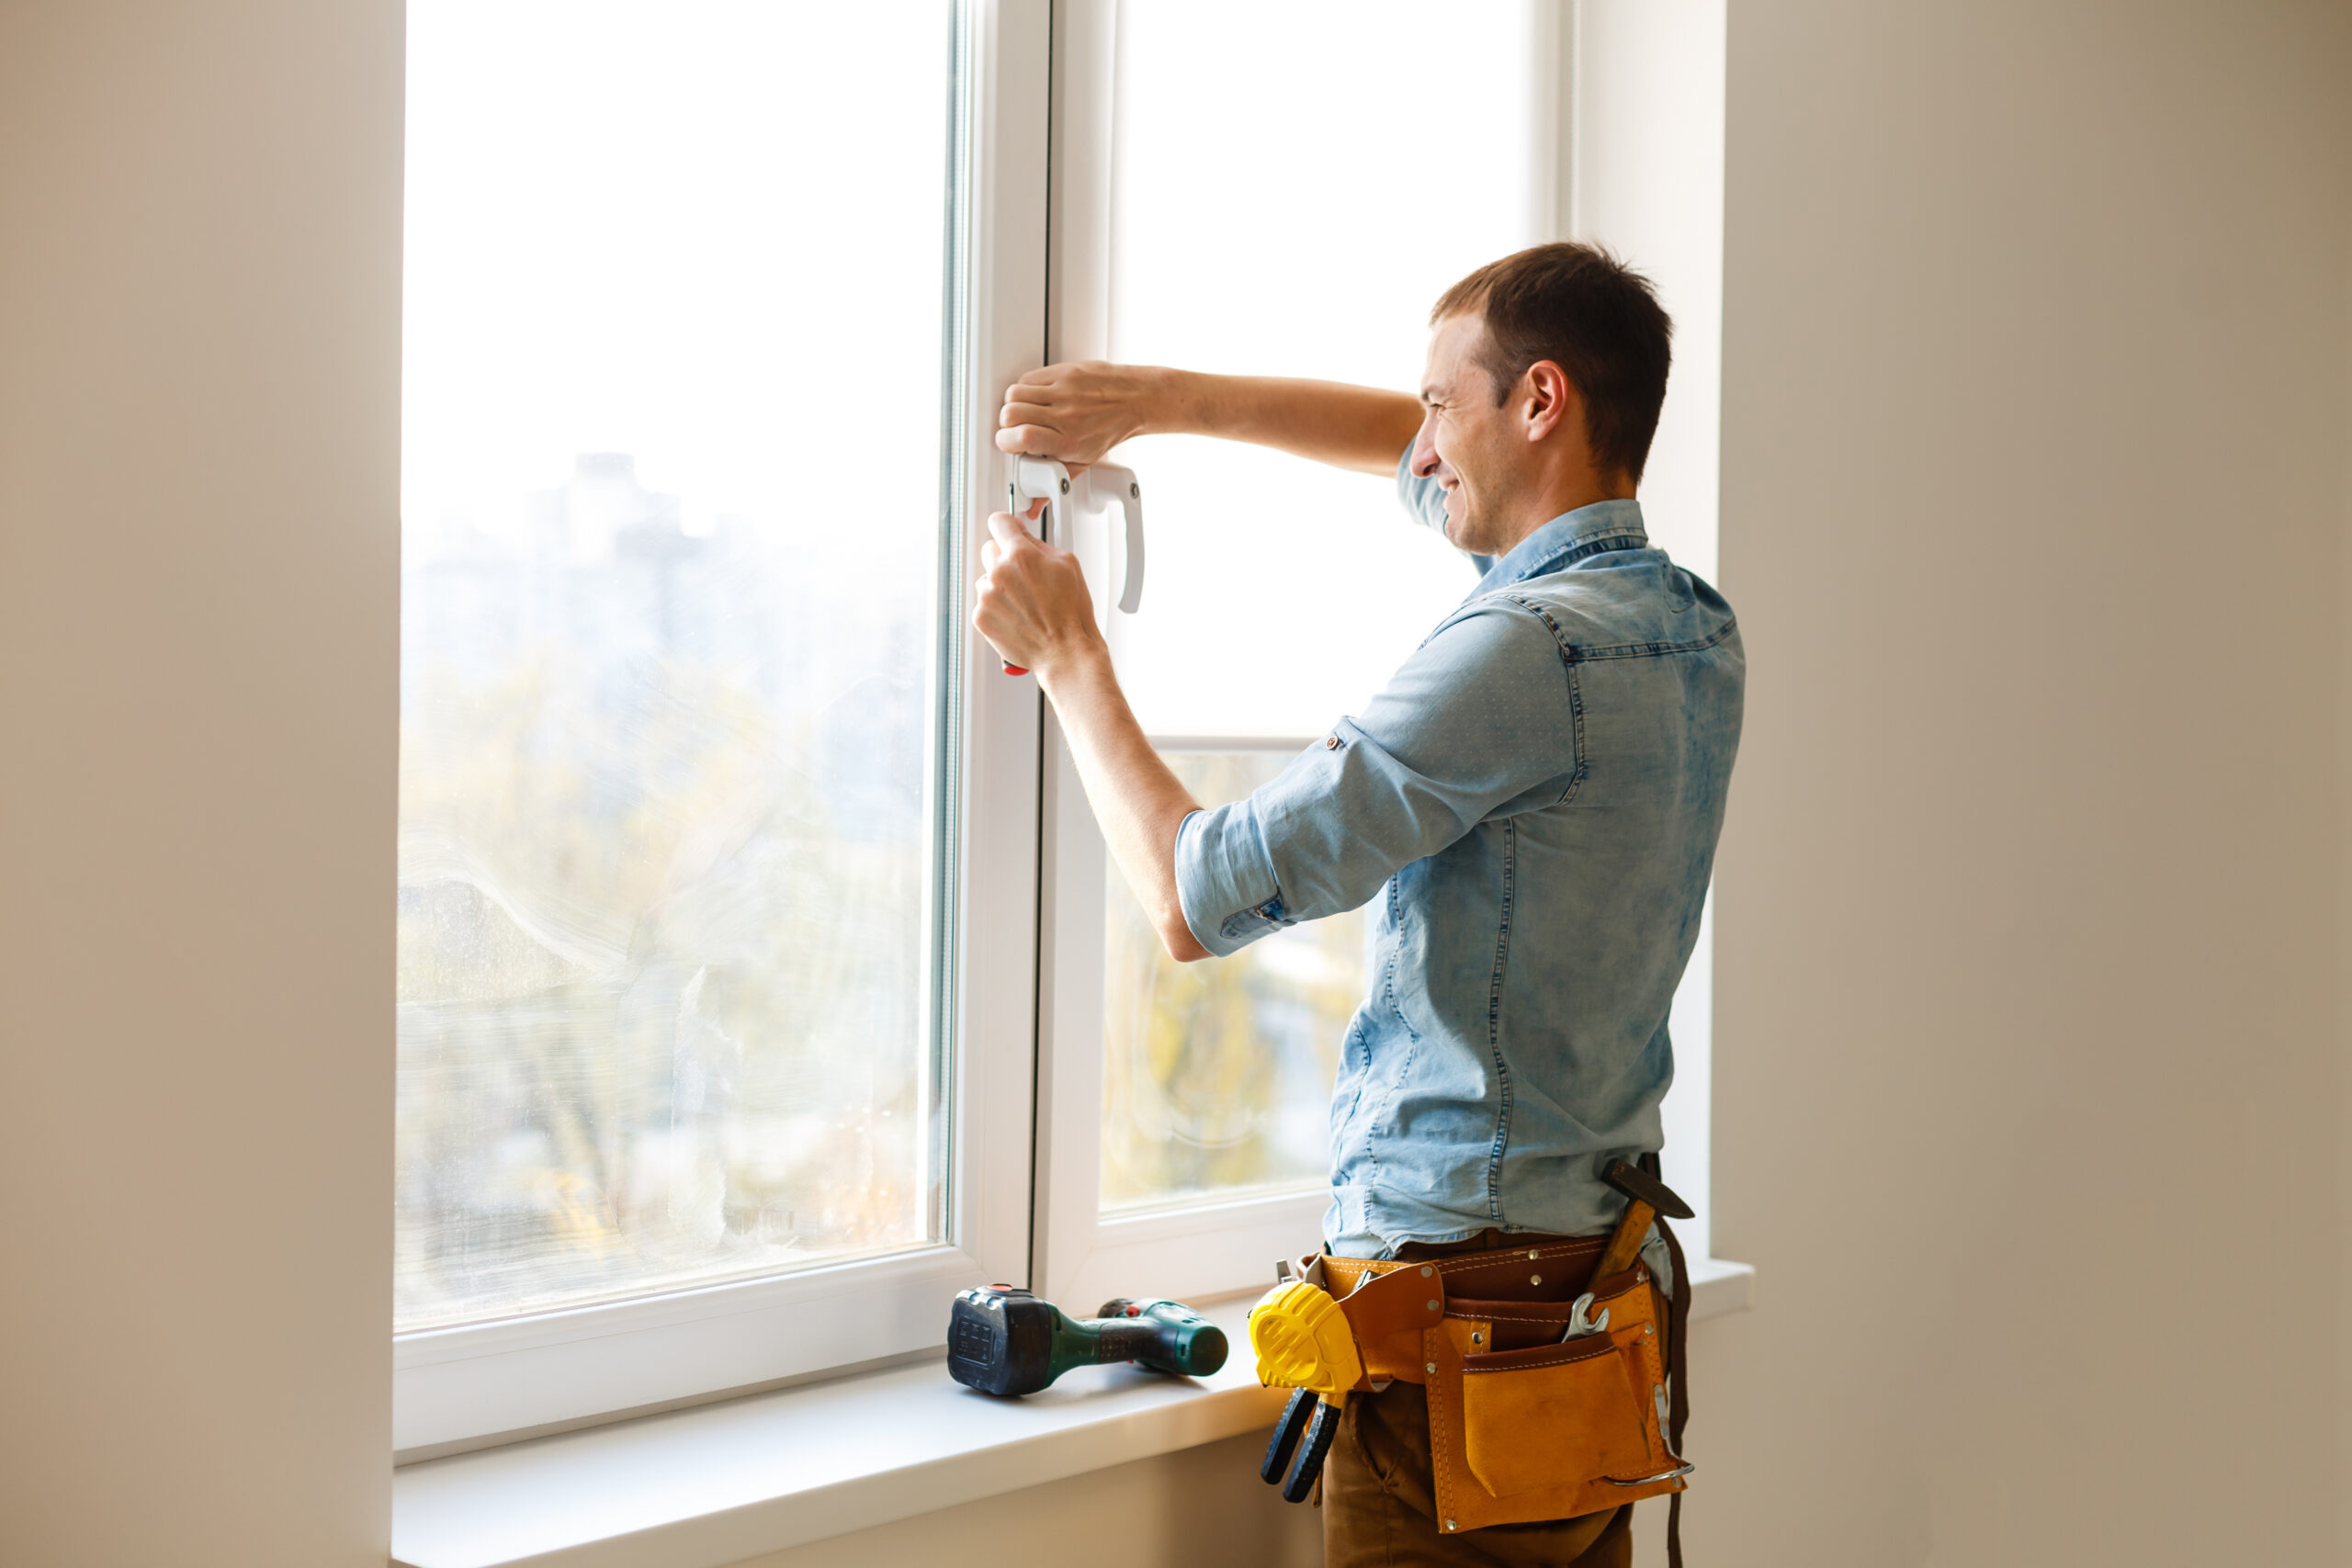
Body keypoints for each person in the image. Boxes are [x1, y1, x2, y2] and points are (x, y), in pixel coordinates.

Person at [973, 241, 1743, 1568]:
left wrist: (1068, 653)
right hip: (1590, 1316)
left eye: (1444, 405)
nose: (1423, 449)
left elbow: (1196, 894)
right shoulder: (1692, 627)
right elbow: (1405, 442)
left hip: (1457, 1348)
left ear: (1541, 401)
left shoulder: (1521, 653)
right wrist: (1157, 402)